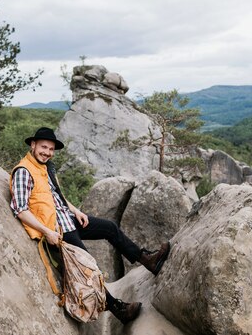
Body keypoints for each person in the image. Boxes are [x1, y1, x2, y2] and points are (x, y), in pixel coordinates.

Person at [9, 127, 171, 324]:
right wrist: (47, 232)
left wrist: (76, 210)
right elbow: (21, 209)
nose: (47, 152)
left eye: (51, 149)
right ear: (33, 145)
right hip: (56, 230)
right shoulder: (24, 171)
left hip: (68, 219)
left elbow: (56, 197)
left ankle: (147, 260)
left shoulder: (46, 167)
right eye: (44, 147)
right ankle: (118, 309)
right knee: (88, 268)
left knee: (109, 227)